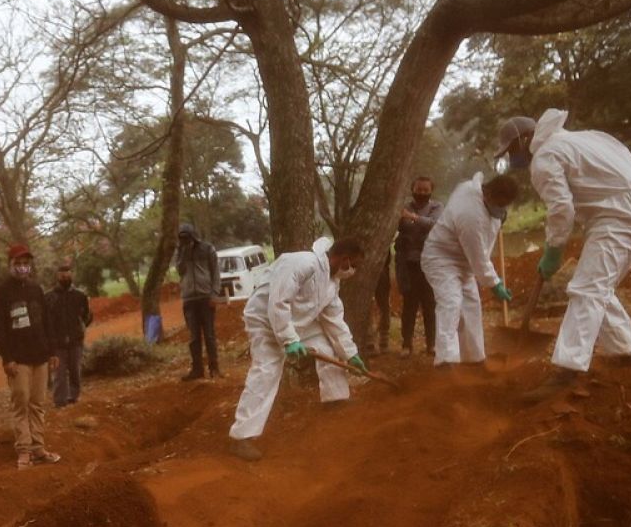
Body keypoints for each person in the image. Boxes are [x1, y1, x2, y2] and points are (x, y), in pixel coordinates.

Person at [498, 110, 631, 395]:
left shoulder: (546, 157)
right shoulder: (585, 138)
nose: (514, 158)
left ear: (526, 139)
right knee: (599, 288)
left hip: (617, 216)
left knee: (587, 289)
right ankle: (630, 356)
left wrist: (553, 251)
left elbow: (562, 209)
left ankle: (568, 373)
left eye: (512, 149)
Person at [227, 238, 368, 461]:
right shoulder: (303, 263)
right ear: (344, 258)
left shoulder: (332, 284)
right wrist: (288, 339)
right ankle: (241, 437)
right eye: (354, 264)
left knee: (328, 346)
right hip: (264, 319)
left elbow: (334, 322)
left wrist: (350, 354)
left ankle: (336, 399)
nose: (354, 270)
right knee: (266, 371)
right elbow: (278, 301)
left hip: (295, 323)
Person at [419, 174, 518, 369]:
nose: (501, 208)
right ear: (487, 193)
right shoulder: (470, 215)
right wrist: (495, 284)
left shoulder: (470, 189)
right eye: (499, 203)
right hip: (441, 258)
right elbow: (479, 259)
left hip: (463, 261)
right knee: (451, 302)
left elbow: (480, 252)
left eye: (505, 205)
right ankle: (446, 361)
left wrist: (496, 219)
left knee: (471, 306)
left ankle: (474, 359)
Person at [0, 244, 61, 468]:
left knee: (37, 404)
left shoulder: (36, 289)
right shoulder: (1, 294)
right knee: (20, 403)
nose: (22, 268)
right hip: (17, 360)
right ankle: (23, 451)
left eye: (25, 264)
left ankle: (38, 448)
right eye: (18, 264)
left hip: (40, 357)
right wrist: (7, 358)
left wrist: (52, 351)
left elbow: (48, 322)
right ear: (10, 265)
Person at [392, 177, 442, 357]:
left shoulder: (437, 208)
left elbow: (434, 225)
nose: (421, 193)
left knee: (430, 305)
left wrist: (412, 218)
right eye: (418, 189)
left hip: (430, 264)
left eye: (425, 190)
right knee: (409, 306)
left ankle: (432, 344)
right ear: (412, 189)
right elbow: (399, 225)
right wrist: (419, 221)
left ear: (431, 190)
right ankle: (406, 345)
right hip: (407, 265)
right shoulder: (403, 206)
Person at [175, 222, 222, 379]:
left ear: (193, 235)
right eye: (182, 238)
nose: (185, 240)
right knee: (194, 337)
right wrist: (183, 253)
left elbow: (216, 273)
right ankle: (197, 370)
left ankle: (214, 368)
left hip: (206, 297)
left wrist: (214, 294)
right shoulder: (180, 251)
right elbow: (180, 271)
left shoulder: (207, 249)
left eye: (187, 238)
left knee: (209, 334)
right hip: (189, 299)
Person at [44, 260, 92, 408]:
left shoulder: (80, 296)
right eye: (62, 275)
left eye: (67, 274)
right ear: (57, 276)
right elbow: (45, 321)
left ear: (72, 275)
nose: (65, 277)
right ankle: (60, 401)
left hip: (75, 341)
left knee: (75, 371)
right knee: (59, 374)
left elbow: (87, 316)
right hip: (57, 343)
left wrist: (80, 330)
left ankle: (73, 397)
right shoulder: (49, 297)